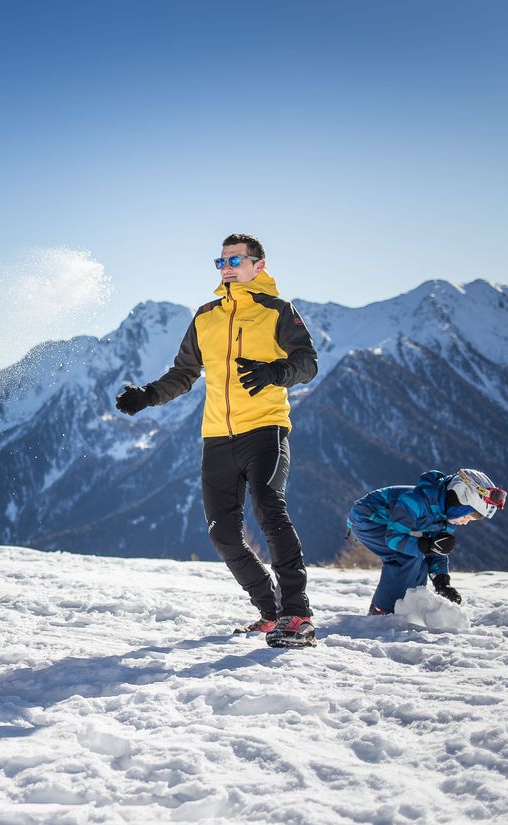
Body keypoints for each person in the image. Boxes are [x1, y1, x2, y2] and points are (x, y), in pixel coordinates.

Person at [115, 233, 319, 648]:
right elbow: (184, 374)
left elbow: (307, 364)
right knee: (223, 533)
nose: (226, 268)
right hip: (216, 438)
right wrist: (148, 396)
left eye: (235, 260)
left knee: (269, 510)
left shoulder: (277, 311)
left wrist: (274, 373)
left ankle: (297, 614)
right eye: (221, 261)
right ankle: (270, 612)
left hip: (265, 427)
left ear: (258, 265)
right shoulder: (205, 316)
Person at [347, 468, 506, 614]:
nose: (465, 522)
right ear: (457, 500)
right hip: (366, 519)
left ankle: (408, 605)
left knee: (419, 559)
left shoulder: (446, 518)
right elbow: (394, 538)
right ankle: (382, 610)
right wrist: (427, 546)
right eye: (466, 516)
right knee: (405, 556)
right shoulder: (415, 502)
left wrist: (441, 581)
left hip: (388, 524)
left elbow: (436, 550)